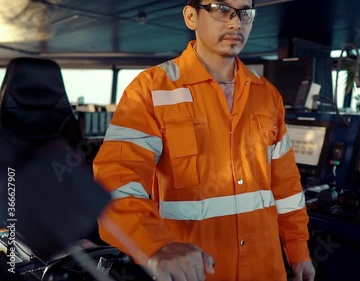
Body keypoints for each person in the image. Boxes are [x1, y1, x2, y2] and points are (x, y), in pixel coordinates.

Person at [93, 0, 316, 280]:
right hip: (195, 273)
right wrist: (154, 245)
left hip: (265, 269)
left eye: (244, 13)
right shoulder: (149, 89)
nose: (236, 23)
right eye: (222, 9)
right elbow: (117, 181)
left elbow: (287, 188)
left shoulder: (268, 95)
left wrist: (299, 251)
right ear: (191, 17)